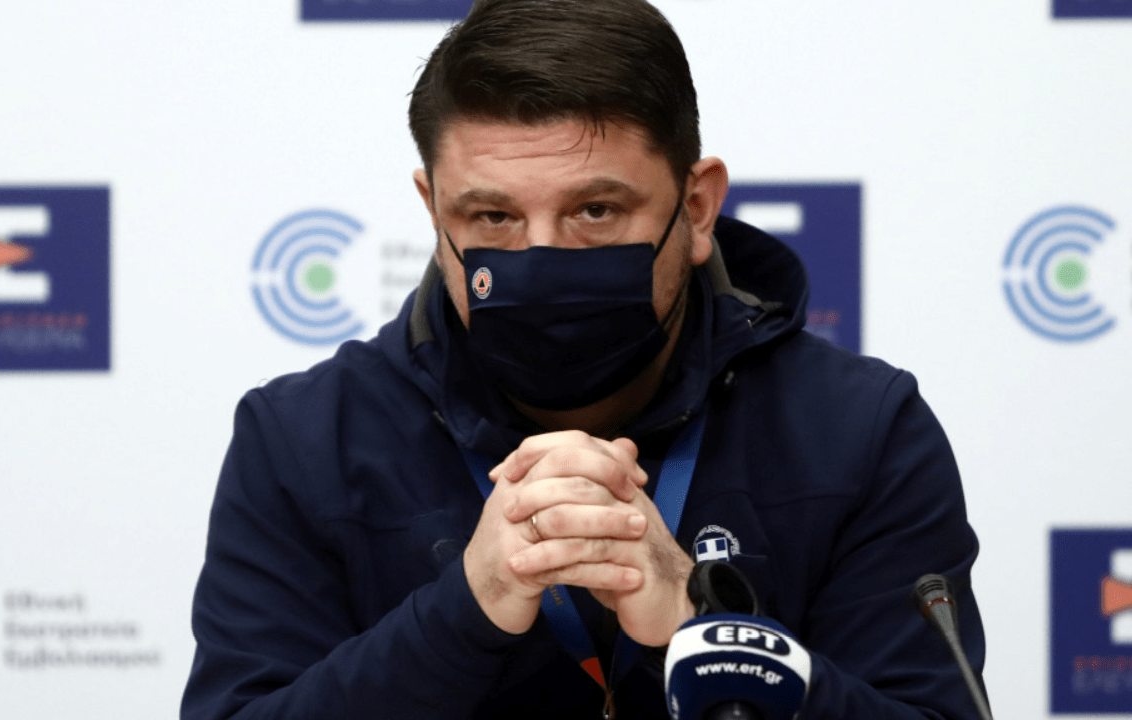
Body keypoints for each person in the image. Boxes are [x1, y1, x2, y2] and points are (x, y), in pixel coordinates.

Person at [182, 0, 987, 717]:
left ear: (697, 206)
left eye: (595, 211)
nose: (543, 258)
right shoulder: (302, 440)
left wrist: (702, 631)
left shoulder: (860, 430)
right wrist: (468, 607)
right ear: (434, 211)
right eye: (493, 216)